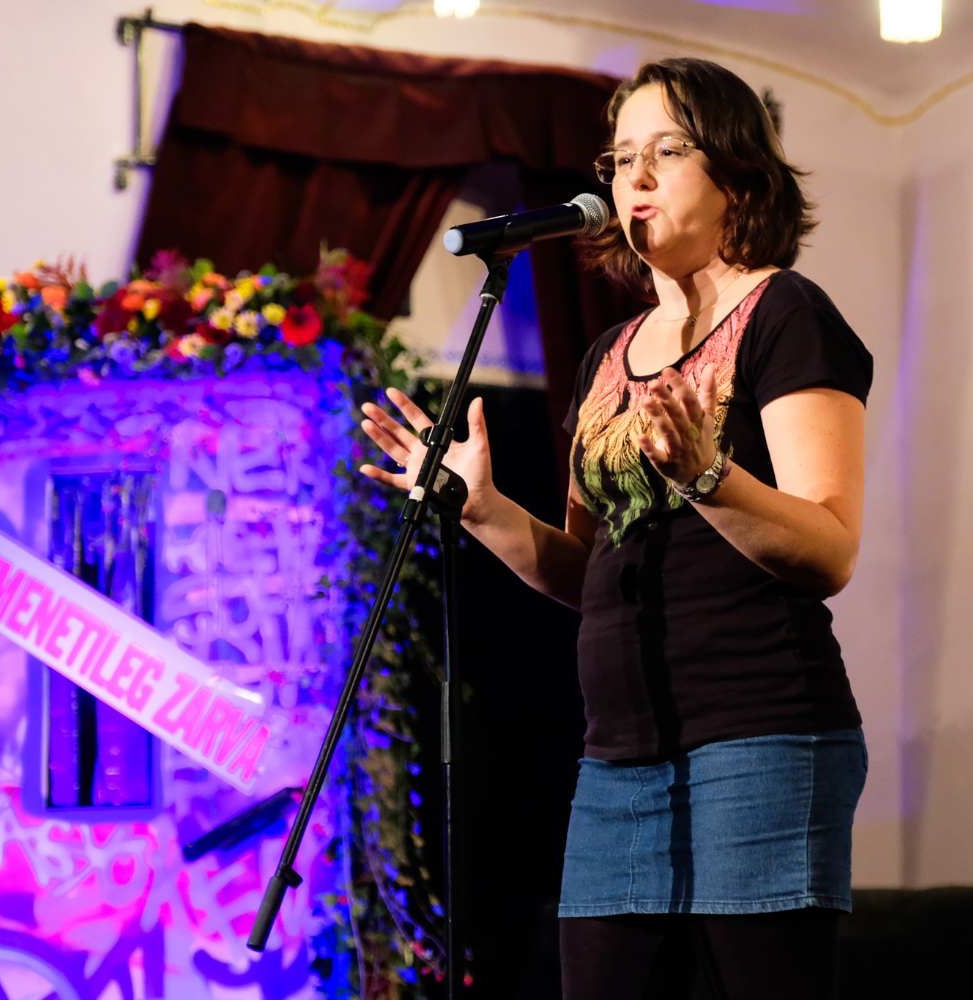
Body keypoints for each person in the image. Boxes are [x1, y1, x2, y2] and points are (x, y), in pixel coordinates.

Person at [358, 57, 871, 1000]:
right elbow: (585, 570)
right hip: (618, 758)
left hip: (761, 736)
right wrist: (483, 509)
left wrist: (708, 476)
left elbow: (831, 547)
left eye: (666, 152)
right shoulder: (607, 356)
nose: (633, 177)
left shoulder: (786, 315)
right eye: (620, 157)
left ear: (738, 177)